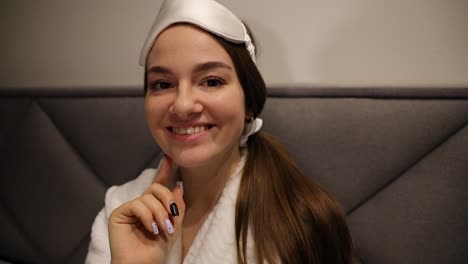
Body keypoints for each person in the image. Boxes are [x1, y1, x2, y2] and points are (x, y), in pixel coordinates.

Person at [86, 0, 357, 263]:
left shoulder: (303, 220)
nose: (182, 105)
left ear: (249, 102)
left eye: (212, 81)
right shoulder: (121, 210)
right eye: (162, 84)